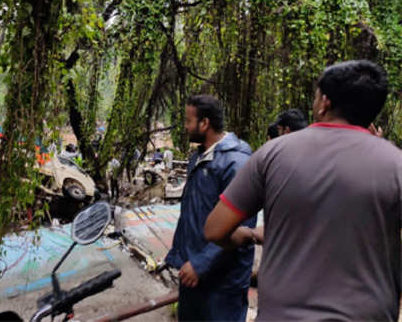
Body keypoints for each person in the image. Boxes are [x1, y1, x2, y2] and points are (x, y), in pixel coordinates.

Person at [204, 60, 401, 321]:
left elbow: (215, 229)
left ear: (325, 103)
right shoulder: (396, 164)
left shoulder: (273, 154)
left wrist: (248, 235)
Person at [165, 95, 256, 322]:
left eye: (188, 121)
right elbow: (192, 214)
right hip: (193, 274)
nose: (185, 127)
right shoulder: (199, 157)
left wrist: (201, 264)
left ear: (204, 124)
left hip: (222, 282)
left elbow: (241, 227)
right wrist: (181, 257)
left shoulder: (237, 163)